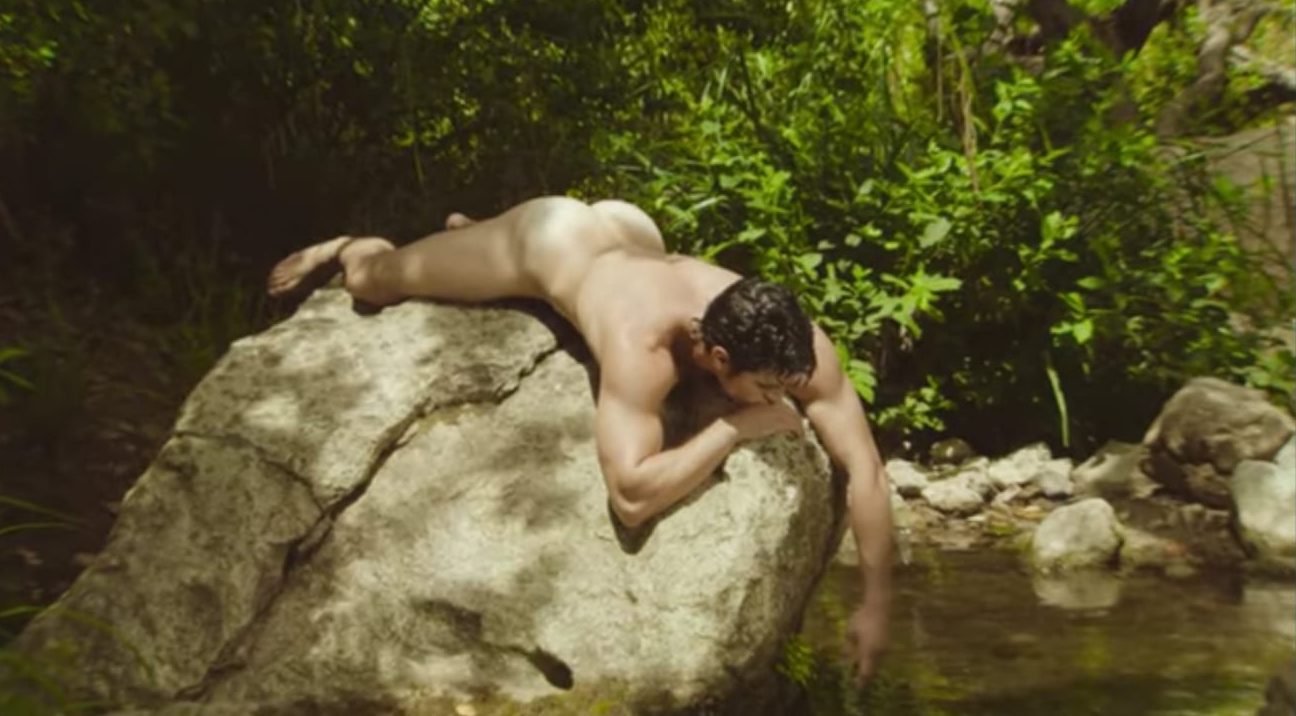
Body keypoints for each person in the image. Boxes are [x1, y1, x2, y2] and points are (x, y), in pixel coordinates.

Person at [267, 196, 892, 684]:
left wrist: (875, 603)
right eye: (766, 389)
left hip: (634, 234)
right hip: (548, 239)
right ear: (719, 358)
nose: (779, 401)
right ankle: (358, 245)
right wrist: (732, 427)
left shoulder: (791, 338)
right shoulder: (641, 345)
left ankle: (468, 235)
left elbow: (865, 466)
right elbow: (632, 496)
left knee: (598, 239)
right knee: (373, 282)